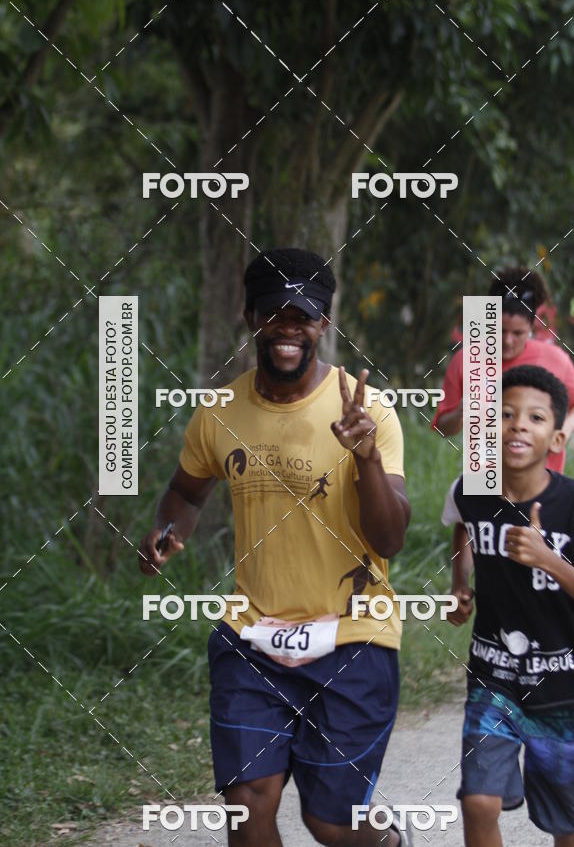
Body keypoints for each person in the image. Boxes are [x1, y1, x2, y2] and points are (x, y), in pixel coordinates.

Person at [139, 248, 413, 846]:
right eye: (274, 315)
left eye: (302, 317)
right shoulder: (219, 412)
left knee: (331, 823)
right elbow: (185, 492)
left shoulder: (369, 412)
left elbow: (390, 537)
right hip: (253, 636)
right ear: (250, 318)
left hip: (352, 638)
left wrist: (366, 458)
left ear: (324, 323)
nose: (287, 329)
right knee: (247, 805)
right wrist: (168, 529)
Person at [443, 365, 574, 847]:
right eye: (505, 415)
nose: (517, 426)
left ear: (557, 438)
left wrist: (549, 560)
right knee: (478, 801)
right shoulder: (469, 489)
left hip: (562, 689)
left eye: (535, 417)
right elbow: (462, 528)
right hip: (493, 679)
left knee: (565, 823)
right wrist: (460, 584)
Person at [432, 266, 574, 471]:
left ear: (531, 327)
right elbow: (443, 428)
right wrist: (460, 413)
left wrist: (562, 433)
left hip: (543, 479)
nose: (507, 341)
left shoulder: (555, 359)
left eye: (518, 333)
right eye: (500, 331)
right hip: (487, 477)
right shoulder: (466, 360)